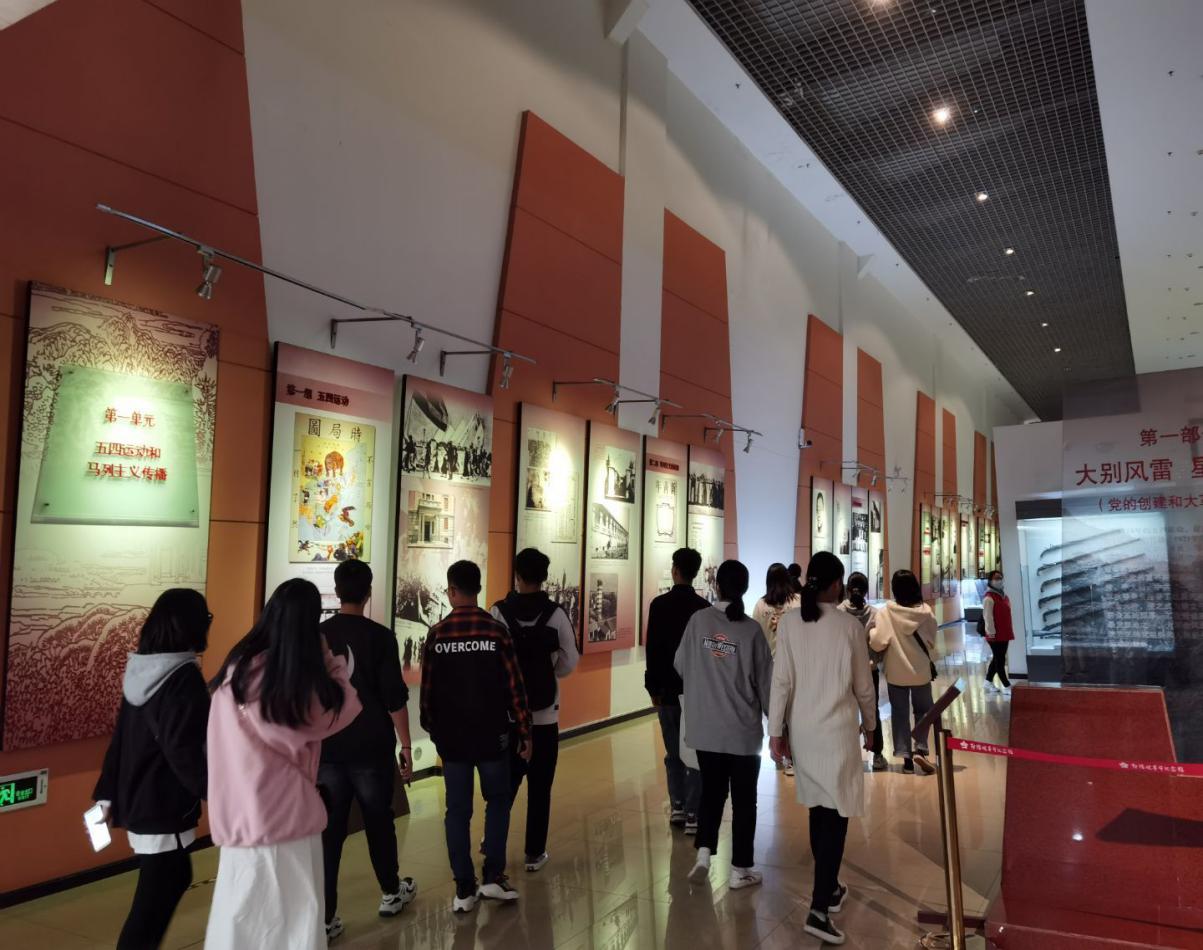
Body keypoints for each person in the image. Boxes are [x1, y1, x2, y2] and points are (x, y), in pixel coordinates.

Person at [204, 579, 361, 950]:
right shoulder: (289, 688)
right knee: (295, 922)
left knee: (238, 918)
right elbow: (346, 706)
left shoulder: (235, 673)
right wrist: (329, 659)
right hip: (286, 820)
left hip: (239, 818)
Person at [93, 589, 212, 950]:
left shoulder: (141, 670)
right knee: (155, 901)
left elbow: (120, 741)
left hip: (137, 798)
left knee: (169, 880)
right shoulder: (182, 677)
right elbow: (183, 751)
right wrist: (218, 792)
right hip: (164, 803)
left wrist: (106, 794)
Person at [769, 552, 877, 946]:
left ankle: (829, 889)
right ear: (836, 585)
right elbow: (864, 686)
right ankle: (818, 909)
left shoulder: (790, 623)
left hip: (804, 733)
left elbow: (781, 681)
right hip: (837, 734)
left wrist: (775, 731)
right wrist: (871, 727)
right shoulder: (849, 626)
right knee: (837, 815)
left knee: (819, 810)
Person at [421, 560, 532, 913]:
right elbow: (515, 688)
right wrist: (524, 731)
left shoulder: (437, 635)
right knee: (497, 800)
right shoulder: (496, 632)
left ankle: (463, 889)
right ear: (479, 589)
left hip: (453, 739)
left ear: (452, 591)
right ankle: (493, 876)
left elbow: (427, 695)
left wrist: (435, 733)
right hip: (492, 736)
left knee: (457, 810)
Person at [317, 560, 417, 942]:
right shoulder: (380, 637)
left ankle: (326, 917)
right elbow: (394, 697)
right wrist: (406, 744)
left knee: (329, 832)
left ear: (336, 590)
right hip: (371, 746)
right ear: (369, 592)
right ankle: (391, 892)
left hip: (328, 747)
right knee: (379, 820)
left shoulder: (318, 635)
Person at [674, 560, 774, 890]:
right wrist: (778, 726)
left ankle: (704, 854)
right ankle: (740, 869)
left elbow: (680, 664)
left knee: (712, 793)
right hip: (742, 734)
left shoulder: (698, 621)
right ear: (744, 588)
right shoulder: (751, 630)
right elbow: (766, 684)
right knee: (745, 801)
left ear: (716, 585)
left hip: (706, 731)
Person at [491, 547, 580, 873]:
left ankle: (493, 844)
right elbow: (570, 660)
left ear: (516, 575)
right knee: (541, 787)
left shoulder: (499, 612)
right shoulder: (556, 614)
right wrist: (549, 671)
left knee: (505, 785)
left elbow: (492, 659)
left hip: (508, 715)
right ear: (545, 577)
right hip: (545, 716)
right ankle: (534, 853)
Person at [644, 548, 710, 834]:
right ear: (695, 572)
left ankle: (678, 806)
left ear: (675, 570)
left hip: (667, 690)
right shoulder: (703, 608)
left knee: (673, 752)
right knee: (694, 752)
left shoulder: (659, 605)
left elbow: (653, 649)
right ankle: (694, 812)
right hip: (695, 692)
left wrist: (652, 687)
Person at [869, 570, 939, 776]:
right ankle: (921, 749)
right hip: (921, 672)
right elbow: (931, 641)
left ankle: (906, 759)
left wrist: (871, 632)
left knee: (900, 714)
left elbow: (878, 642)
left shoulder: (885, 613)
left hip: (896, 672)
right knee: (923, 711)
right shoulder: (926, 612)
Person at [752, 563, 801, 777]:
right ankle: (792, 757)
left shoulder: (761, 605)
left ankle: (778, 751)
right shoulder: (798, 602)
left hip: (770, 666)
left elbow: (755, 636)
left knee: (777, 712)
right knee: (793, 713)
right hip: (796, 665)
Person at [839, 571, 887, 772]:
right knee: (872, 710)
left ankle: (846, 755)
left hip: (844, 671)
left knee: (845, 711)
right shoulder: (875, 613)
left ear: (847, 590)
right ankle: (877, 755)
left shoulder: (839, 612)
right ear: (867, 591)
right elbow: (879, 642)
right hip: (868, 670)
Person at [981, 570, 1014, 694]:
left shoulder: (1004, 596)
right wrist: (991, 633)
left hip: (1005, 633)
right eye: (996, 578)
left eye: (1000, 577)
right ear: (990, 581)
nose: (999, 580)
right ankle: (1006, 686)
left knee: (997, 658)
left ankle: (987, 681)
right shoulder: (989, 598)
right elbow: (988, 617)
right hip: (994, 634)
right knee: (1000, 660)